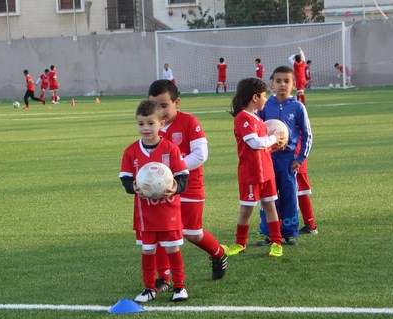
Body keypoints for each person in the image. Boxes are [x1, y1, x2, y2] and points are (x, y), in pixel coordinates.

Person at [148, 79, 228, 286]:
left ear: (177, 103)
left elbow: (200, 155)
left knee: (192, 233)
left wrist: (171, 171)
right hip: (163, 188)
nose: (159, 111)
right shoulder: (153, 127)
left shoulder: (189, 122)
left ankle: (218, 254)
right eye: (154, 105)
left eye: (164, 105)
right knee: (162, 232)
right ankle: (163, 279)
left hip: (190, 185)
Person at [119, 100, 190, 302]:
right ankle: (149, 287)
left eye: (151, 123)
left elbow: (183, 176)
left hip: (168, 212)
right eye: (141, 124)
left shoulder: (171, 149)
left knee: (171, 248)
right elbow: (125, 178)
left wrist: (175, 187)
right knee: (148, 249)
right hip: (145, 213)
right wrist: (132, 187)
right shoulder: (131, 151)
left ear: (161, 123)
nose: (146, 128)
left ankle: (179, 287)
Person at [227, 77, 286, 257]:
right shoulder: (242, 118)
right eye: (263, 95)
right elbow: (254, 143)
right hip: (250, 174)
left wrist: (275, 145)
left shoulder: (257, 119)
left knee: (270, 206)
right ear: (254, 98)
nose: (266, 99)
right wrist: (274, 138)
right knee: (246, 210)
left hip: (266, 172)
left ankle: (276, 243)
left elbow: (263, 146)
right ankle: (240, 244)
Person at [256, 66, 313, 247]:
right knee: (268, 197)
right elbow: (257, 130)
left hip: (288, 160)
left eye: (287, 81)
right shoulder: (264, 106)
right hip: (268, 159)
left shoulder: (298, 107)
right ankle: (268, 233)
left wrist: (300, 158)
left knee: (289, 195)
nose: (282, 85)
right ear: (271, 84)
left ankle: (290, 233)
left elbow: (307, 134)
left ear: (294, 85)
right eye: (278, 81)